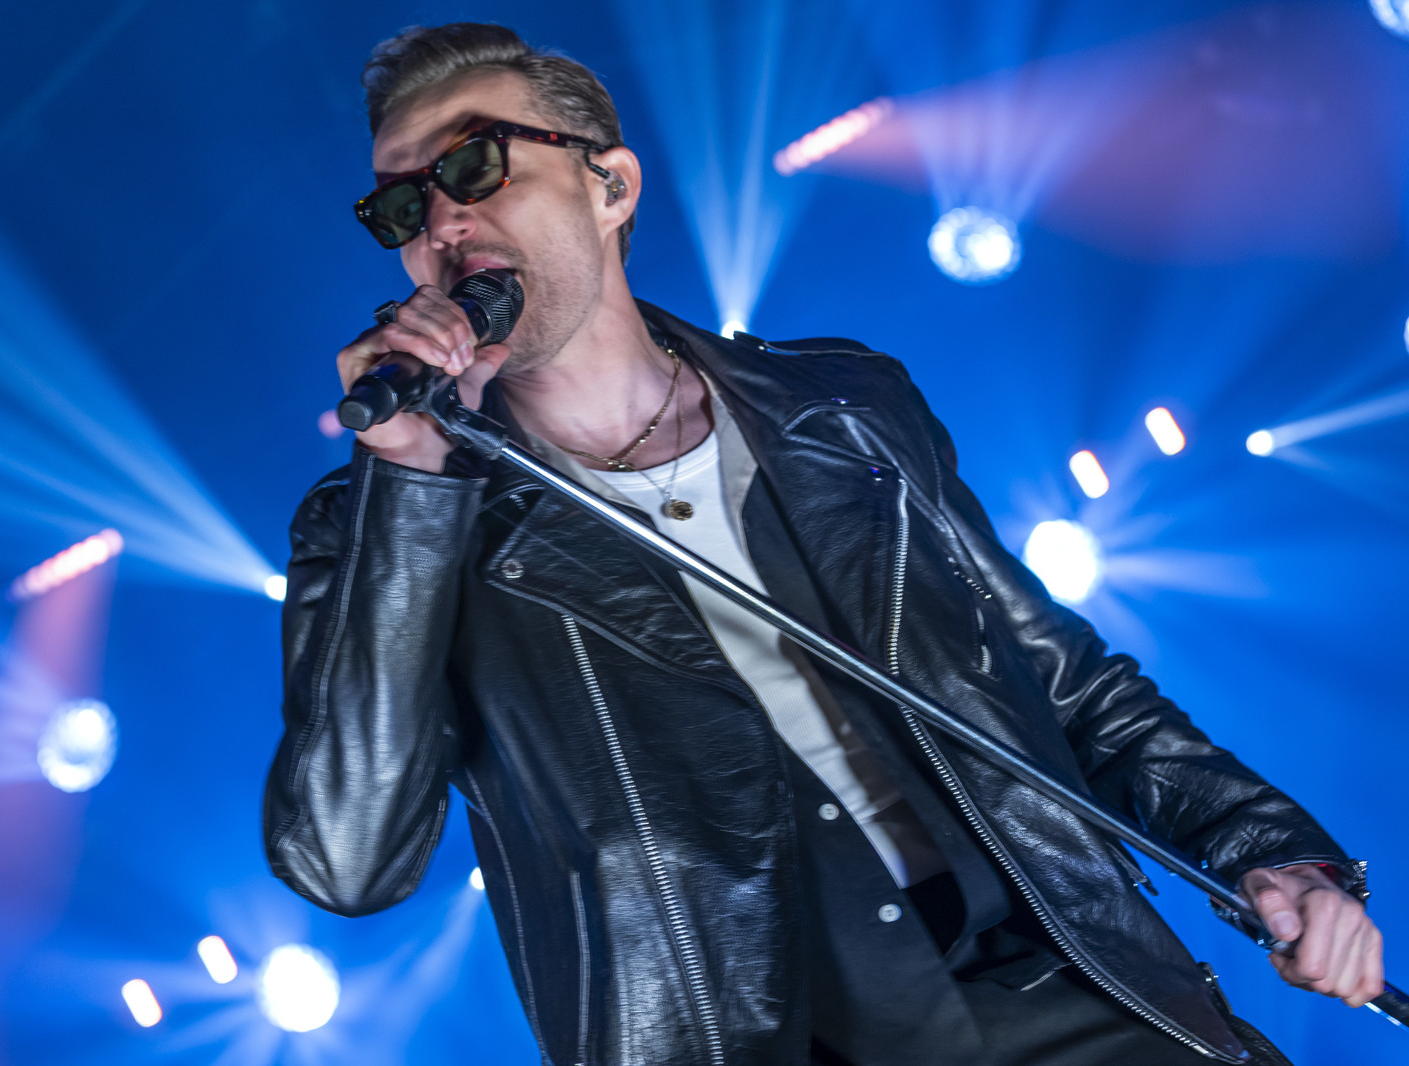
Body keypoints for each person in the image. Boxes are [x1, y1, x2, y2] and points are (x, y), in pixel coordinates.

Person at [264, 23, 1384, 1066]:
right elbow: (347, 859)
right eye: (400, 206)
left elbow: (1063, 682)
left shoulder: (846, 409)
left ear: (610, 185)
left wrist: (1268, 849)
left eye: (474, 166)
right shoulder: (381, 524)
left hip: (1070, 996)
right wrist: (411, 486)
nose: (441, 222)